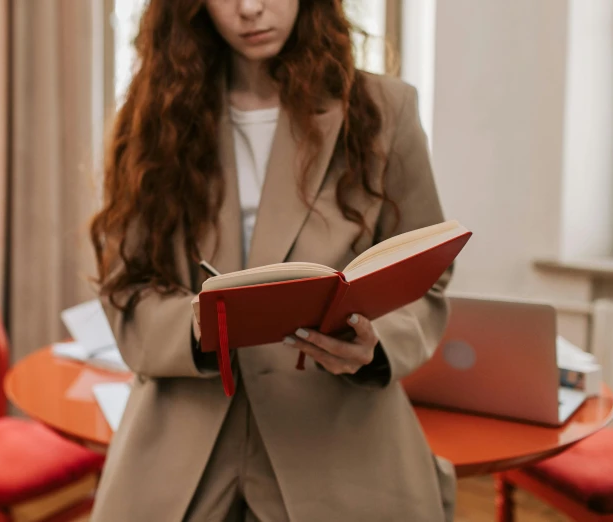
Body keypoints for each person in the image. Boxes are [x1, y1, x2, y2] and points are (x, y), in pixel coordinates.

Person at [89, 1, 456, 521]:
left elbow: (428, 274)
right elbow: (126, 285)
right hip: (184, 441)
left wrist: (374, 348)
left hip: (336, 434)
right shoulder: (153, 117)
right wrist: (196, 328)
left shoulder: (383, 108)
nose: (251, 8)